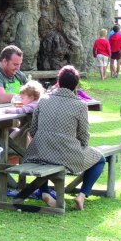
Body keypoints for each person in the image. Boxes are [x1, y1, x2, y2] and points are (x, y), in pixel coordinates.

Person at [25, 65, 105, 211]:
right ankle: (82, 195)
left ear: (58, 82)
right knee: (101, 159)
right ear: (76, 85)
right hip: (67, 156)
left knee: (42, 154)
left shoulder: (43, 100)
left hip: (38, 152)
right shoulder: (80, 105)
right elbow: (84, 136)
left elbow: (33, 130)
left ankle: (44, 192)